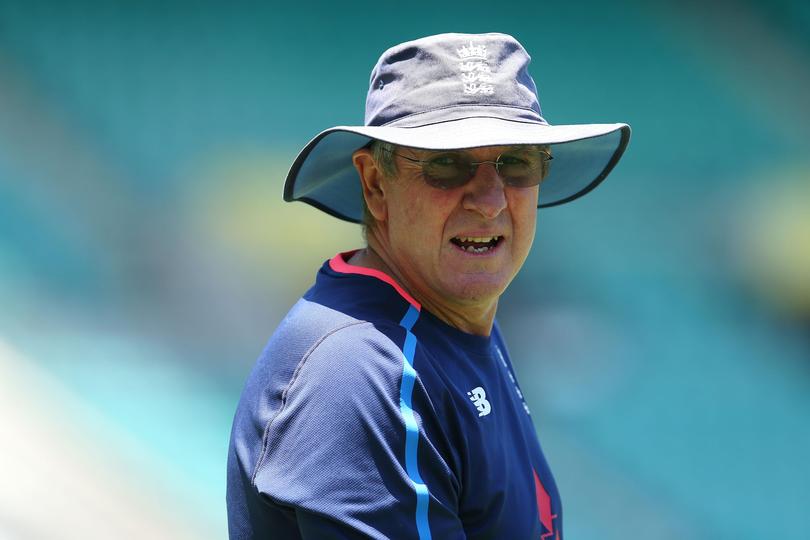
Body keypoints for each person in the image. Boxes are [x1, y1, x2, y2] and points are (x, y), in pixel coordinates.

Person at [227, 32, 630, 540]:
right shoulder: (362, 369)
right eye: (447, 164)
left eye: (517, 163)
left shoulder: (444, 324)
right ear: (375, 184)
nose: (490, 200)